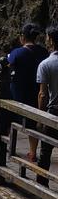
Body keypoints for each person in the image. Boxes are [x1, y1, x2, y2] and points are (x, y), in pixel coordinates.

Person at [8, 23, 48, 162]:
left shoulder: (17, 53)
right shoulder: (43, 52)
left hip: (19, 92)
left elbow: (8, 66)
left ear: (22, 37)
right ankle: (32, 152)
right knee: (34, 121)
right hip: (37, 91)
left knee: (10, 118)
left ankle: (9, 146)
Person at [36, 26, 58, 181]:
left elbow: (43, 94)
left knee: (45, 151)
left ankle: (41, 183)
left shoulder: (46, 64)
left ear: (50, 39)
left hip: (53, 111)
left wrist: (40, 117)